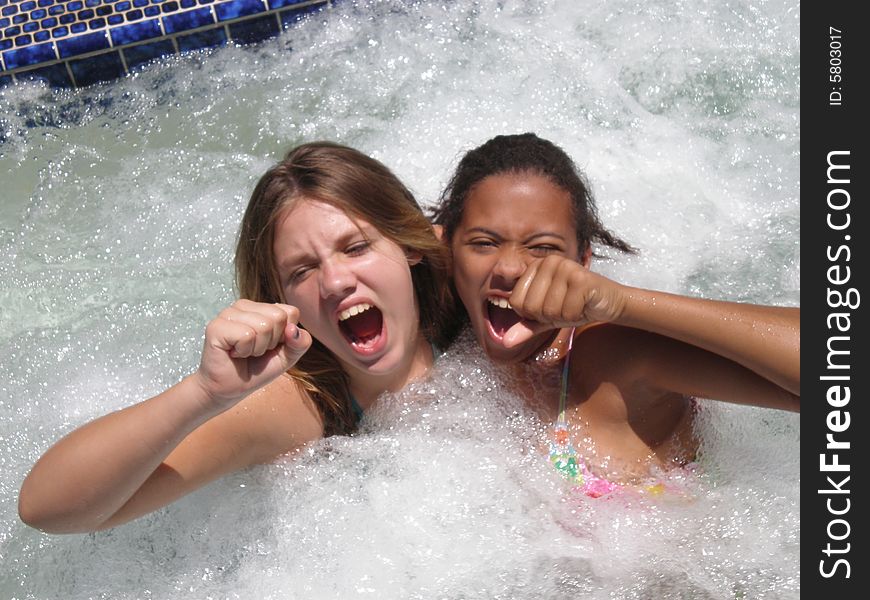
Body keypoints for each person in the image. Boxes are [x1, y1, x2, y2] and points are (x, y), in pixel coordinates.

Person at [18, 141, 452, 533]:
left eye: (355, 248)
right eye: (302, 271)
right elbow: (45, 509)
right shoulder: (295, 407)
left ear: (409, 245)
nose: (335, 281)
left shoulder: (469, 300)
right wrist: (203, 394)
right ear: (280, 301)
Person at [431, 133, 799, 495]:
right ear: (448, 248)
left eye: (542, 248)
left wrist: (623, 304)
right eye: (483, 243)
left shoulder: (611, 356)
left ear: (582, 261)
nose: (509, 268)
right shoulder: (439, 333)